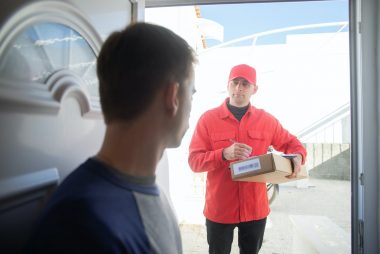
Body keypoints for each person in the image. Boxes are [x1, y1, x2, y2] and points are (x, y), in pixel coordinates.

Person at [25, 22, 197, 254]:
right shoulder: (77, 223)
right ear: (173, 95)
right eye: (192, 92)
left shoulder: (154, 193)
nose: (191, 105)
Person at [188, 64, 306, 254]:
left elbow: (293, 144)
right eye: (235, 82)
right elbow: (194, 161)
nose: (238, 88)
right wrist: (223, 154)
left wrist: (299, 157)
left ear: (254, 89)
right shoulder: (208, 120)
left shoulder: (266, 120)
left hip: (255, 209)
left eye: (245, 84)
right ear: (228, 85)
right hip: (220, 208)